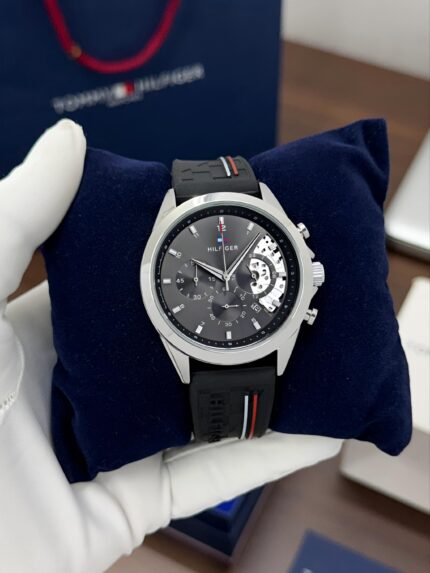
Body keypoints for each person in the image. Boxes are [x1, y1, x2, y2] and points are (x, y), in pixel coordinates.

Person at [0, 120, 342, 573]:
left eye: (242, 275)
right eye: (218, 275)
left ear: (307, 275)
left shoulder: (290, 287)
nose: (228, 281)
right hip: (185, 336)